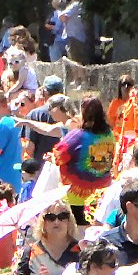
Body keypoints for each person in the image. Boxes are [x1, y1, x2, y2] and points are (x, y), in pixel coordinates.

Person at [52, 95, 115, 223]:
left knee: (79, 232)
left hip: (77, 195)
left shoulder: (78, 135)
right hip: (102, 192)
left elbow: (59, 154)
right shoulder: (109, 134)